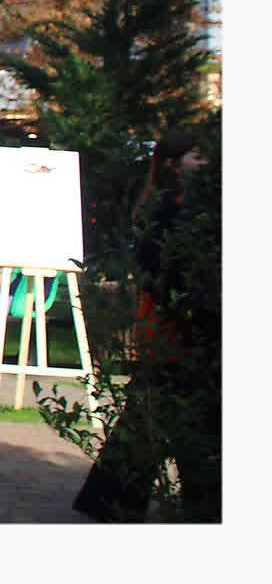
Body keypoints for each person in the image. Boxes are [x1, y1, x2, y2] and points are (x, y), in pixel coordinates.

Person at [73, 128, 220, 522]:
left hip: (191, 334)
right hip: (172, 331)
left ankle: (118, 499)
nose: (205, 162)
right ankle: (119, 499)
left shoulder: (204, 208)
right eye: (196, 156)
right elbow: (157, 274)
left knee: (168, 415)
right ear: (173, 165)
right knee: (162, 415)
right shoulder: (164, 213)